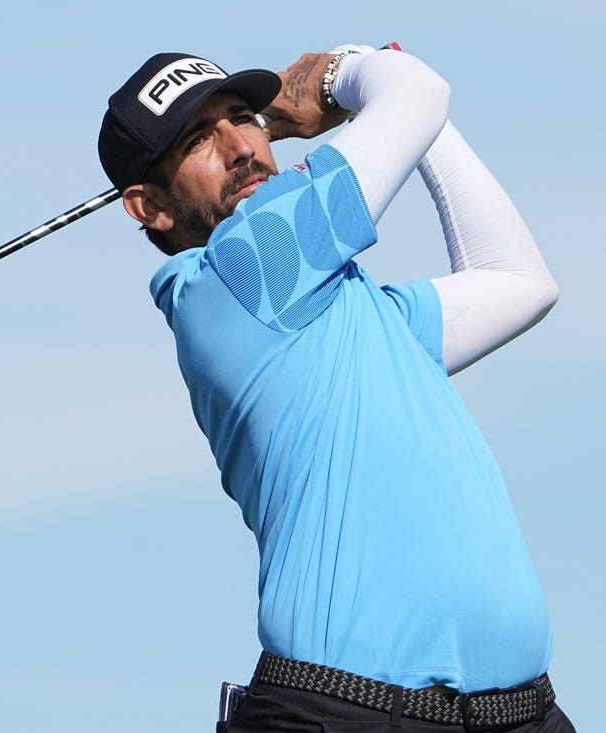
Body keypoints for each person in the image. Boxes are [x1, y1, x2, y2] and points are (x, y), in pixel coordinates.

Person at [97, 46, 575, 732]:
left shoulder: (351, 314)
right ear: (150, 207)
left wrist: (424, 121)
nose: (240, 147)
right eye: (198, 139)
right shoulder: (233, 276)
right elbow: (415, 89)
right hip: (342, 711)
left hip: (522, 714)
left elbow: (518, 282)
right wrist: (341, 72)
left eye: (244, 117)